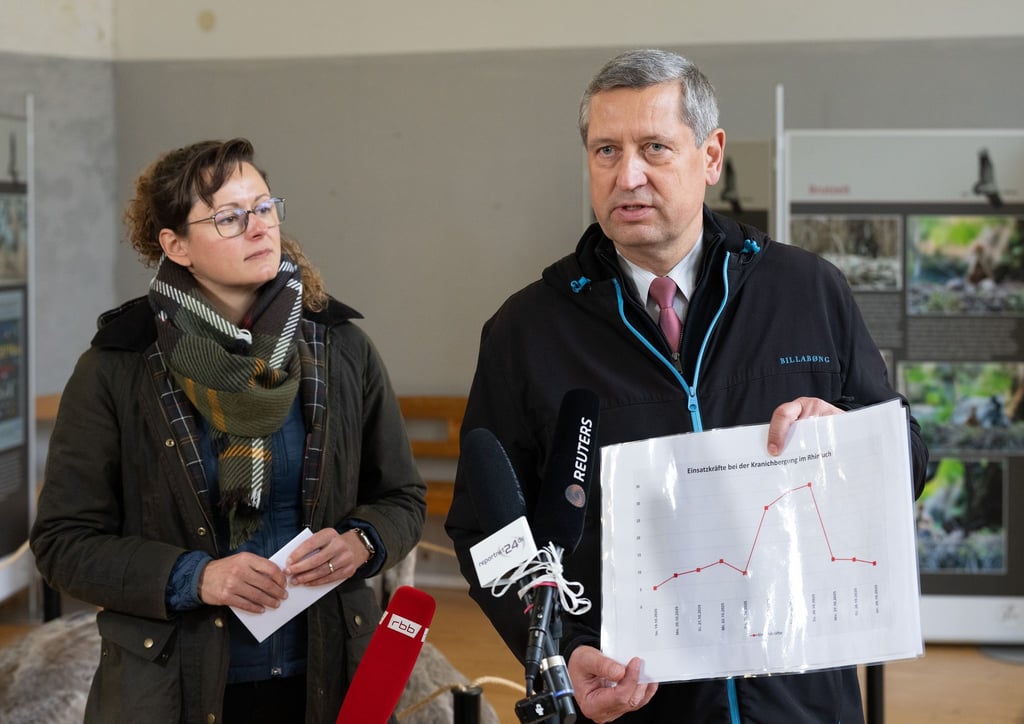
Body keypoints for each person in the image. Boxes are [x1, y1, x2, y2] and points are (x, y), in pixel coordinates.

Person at [445, 49, 928, 723]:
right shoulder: (526, 331)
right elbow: (484, 527)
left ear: (711, 156)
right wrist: (560, 651)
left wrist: (848, 441)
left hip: (801, 698)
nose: (628, 175)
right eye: (606, 150)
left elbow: (906, 456)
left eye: (654, 148)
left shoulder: (806, 291)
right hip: (631, 702)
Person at [30, 138, 426, 723]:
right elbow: (63, 543)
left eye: (264, 208)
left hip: (329, 676)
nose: (259, 228)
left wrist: (362, 542)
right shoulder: (117, 366)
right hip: (170, 689)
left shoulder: (341, 348)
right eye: (228, 217)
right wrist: (197, 578)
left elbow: (402, 498)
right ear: (176, 245)